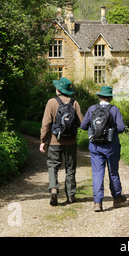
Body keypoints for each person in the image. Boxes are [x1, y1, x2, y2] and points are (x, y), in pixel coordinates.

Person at [80, 86, 126, 212]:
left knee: (97, 173)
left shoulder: (92, 109)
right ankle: (117, 199)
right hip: (111, 146)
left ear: (100, 96)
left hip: (95, 146)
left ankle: (98, 203)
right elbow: (121, 128)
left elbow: (83, 126)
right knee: (113, 172)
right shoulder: (114, 109)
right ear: (110, 97)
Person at [39, 77, 83, 206]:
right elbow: (81, 122)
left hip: (54, 141)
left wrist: (43, 140)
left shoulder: (51, 102)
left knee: (53, 166)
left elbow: (46, 123)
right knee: (70, 168)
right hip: (71, 142)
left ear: (58, 89)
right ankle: (70, 195)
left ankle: (53, 189)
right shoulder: (74, 103)